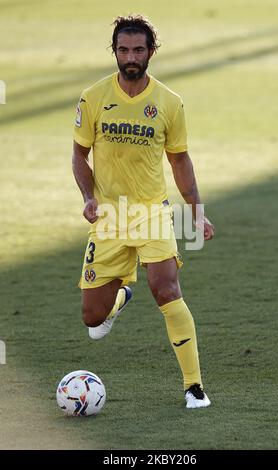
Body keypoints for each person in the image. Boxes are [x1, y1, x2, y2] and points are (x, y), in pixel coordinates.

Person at [72, 14, 214, 409]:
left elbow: (180, 161)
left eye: (138, 49)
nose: (130, 57)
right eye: (123, 50)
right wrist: (88, 195)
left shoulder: (169, 102)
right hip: (110, 218)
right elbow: (79, 155)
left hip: (152, 212)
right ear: (114, 52)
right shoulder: (93, 97)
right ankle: (119, 299)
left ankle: (194, 387)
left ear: (151, 51)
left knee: (167, 289)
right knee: (92, 319)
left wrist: (196, 212)